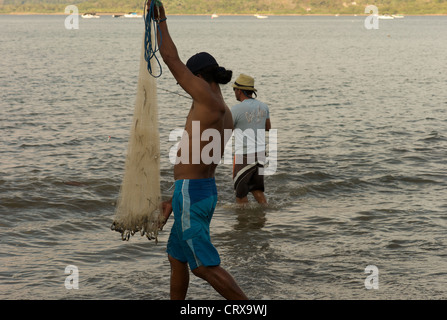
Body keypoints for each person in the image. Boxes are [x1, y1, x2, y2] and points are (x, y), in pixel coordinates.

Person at [150, 2, 248, 300]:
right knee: (177, 257)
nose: (185, 85)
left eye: (188, 80)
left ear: (198, 77)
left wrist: (160, 20)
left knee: (202, 264)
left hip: (193, 193)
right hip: (198, 191)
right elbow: (200, 160)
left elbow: (169, 57)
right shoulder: (226, 113)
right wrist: (175, 197)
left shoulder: (205, 98)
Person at [231, 74, 271, 205]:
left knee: (240, 193)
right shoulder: (264, 107)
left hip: (244, 155)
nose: (234, 93)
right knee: (256, 189)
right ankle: (263, 217)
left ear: (240, 91)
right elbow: (268, 127)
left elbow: (226, 130)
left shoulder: (236, 109)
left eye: (234, 90)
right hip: (260, 154)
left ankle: (243, 223)